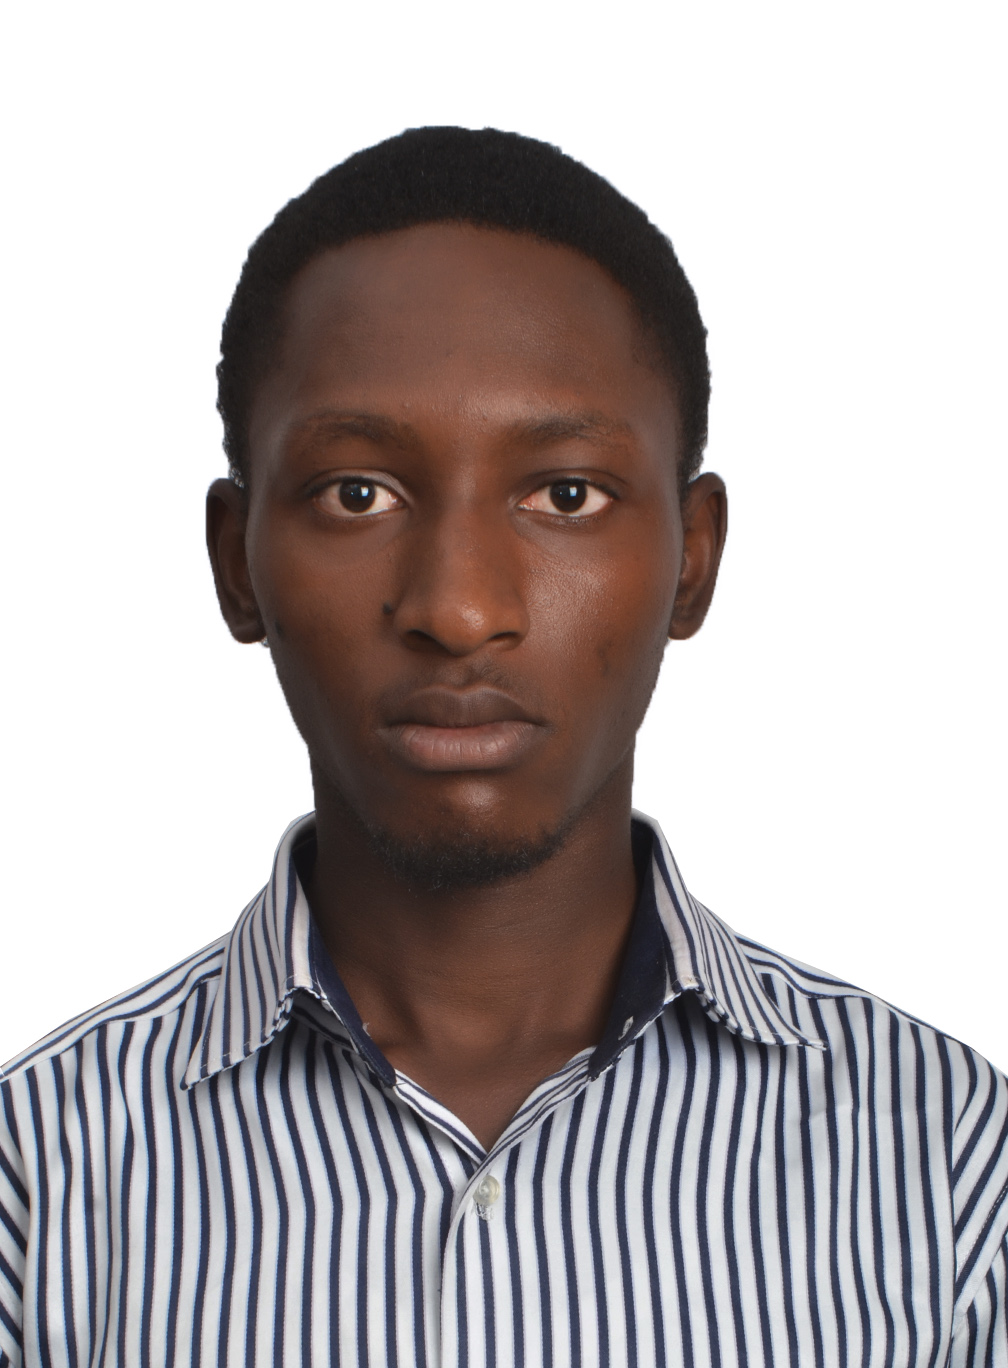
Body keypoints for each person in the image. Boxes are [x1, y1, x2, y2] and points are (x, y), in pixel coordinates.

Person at [0, 126, 1005, 1368]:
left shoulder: (952, 1167)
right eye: (358, 493)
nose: (460, 609)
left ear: (693, 560)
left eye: (565, 495)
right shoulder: (39, 1178)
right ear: (235, 563)